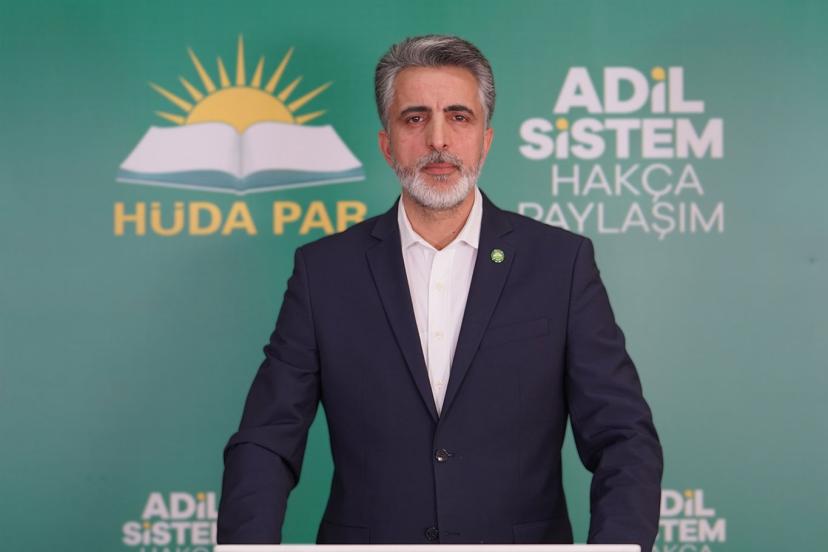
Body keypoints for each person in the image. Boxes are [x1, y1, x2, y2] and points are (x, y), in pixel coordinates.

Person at [218, 35, 663, 550]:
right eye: (414, 118)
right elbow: (266, 440)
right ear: (387, 144)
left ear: (485, 139)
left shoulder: (560, 264)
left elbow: (623, 436)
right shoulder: (324, 272)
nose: (438, 139)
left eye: (458, 117)